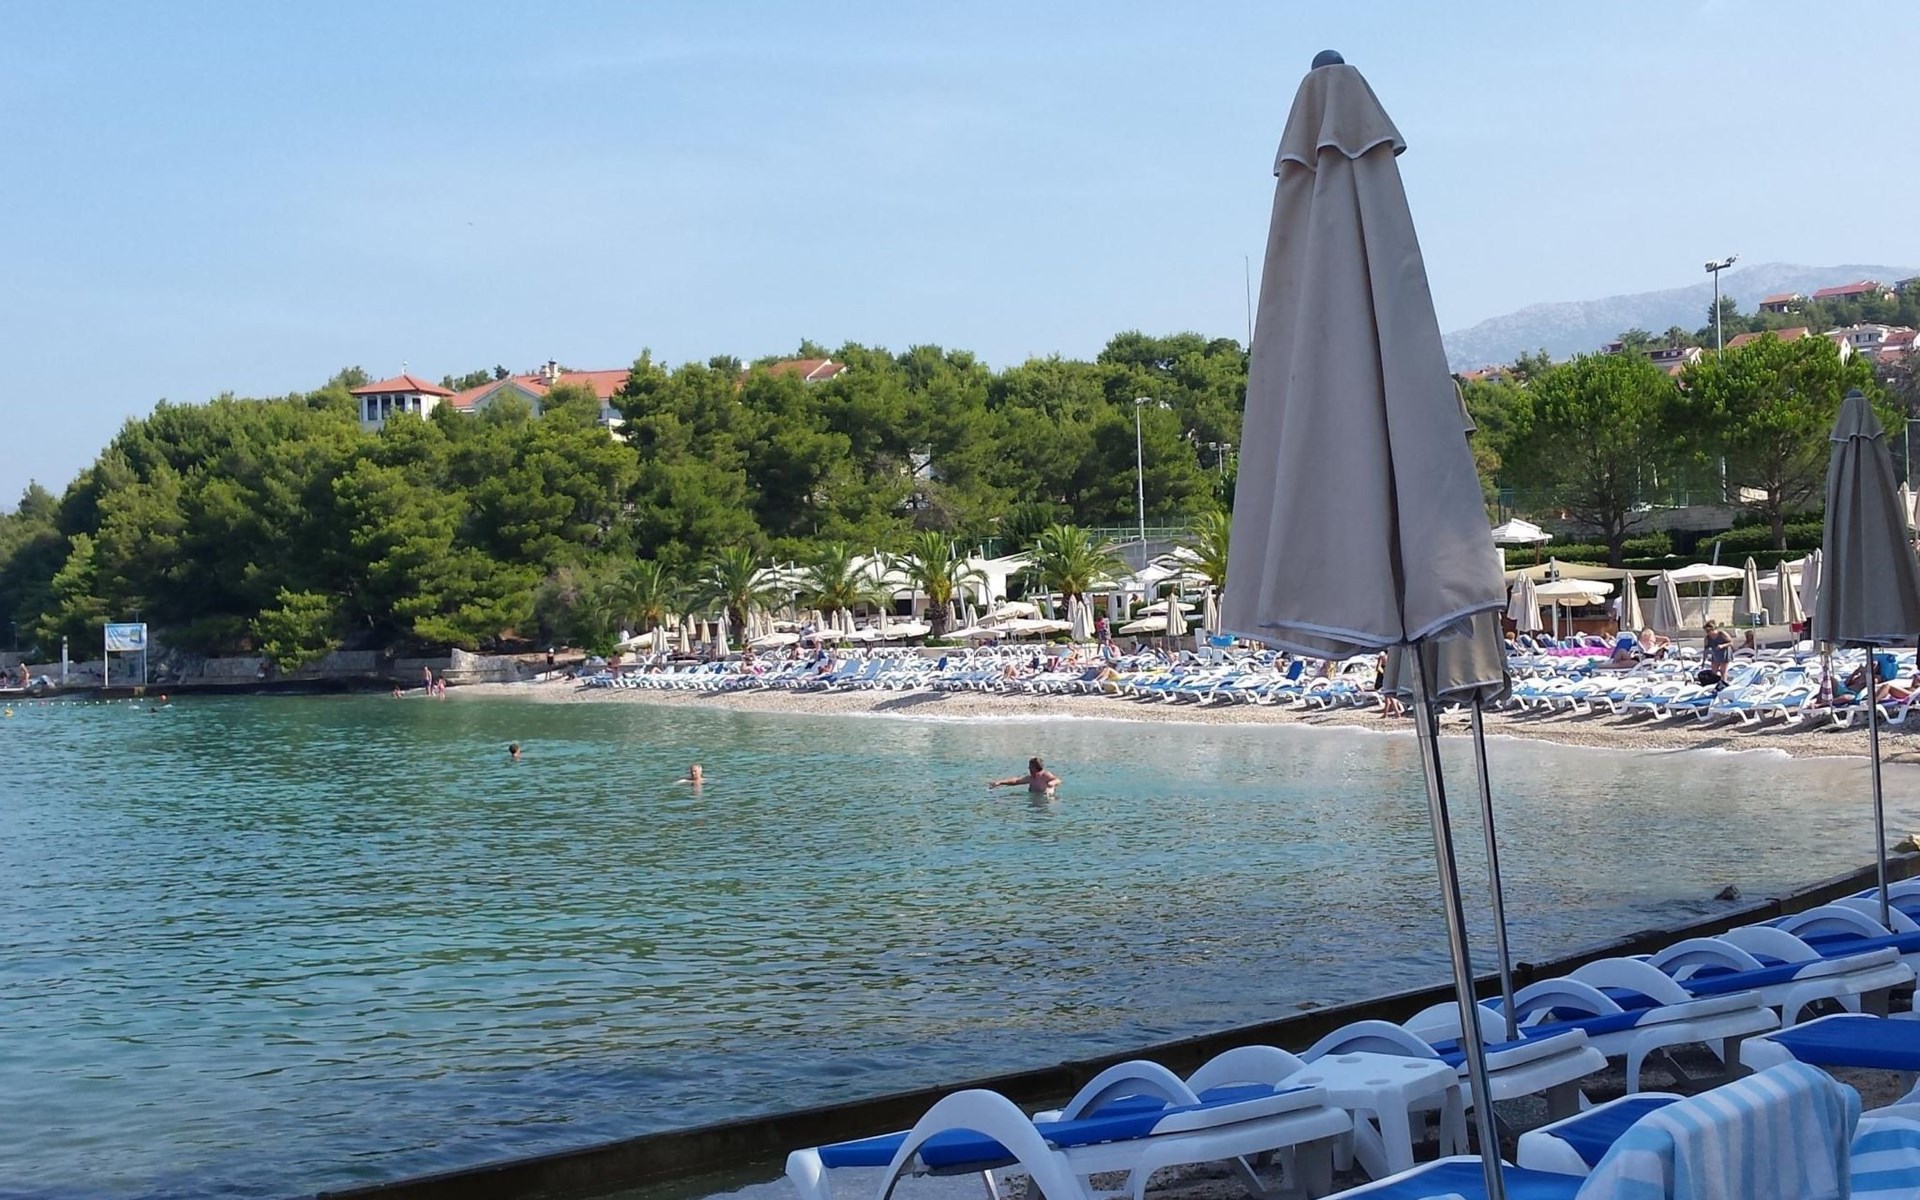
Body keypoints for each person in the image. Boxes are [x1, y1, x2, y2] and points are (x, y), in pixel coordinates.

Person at [990, 757, 1060, 793]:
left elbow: (1058, 780)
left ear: (1035, 767)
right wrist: (1000, 782)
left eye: (1030, 766)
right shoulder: (1031, 778)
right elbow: (1016, 781)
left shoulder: (1045, 775)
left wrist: (1052, 783)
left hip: (1045, 800)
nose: (1029, 768)